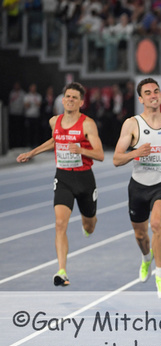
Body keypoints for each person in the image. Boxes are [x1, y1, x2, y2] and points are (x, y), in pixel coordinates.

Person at [17, 82, 105, 286]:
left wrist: (81, 150)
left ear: (81, 102)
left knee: (89, 225)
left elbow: (100, 154)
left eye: (75, 97)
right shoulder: (54, 121)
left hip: (84, 179)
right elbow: (55, 140)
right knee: (59, 224)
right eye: (68, 96)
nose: (70, 100)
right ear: (63, 99)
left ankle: (89, 223)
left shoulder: (87, 124)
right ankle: (62, 271)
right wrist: (32, 153)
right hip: (63, 177)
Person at [113, 78, 161, 299]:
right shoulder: (132, 124)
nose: (153, 95)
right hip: (138, 186)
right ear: (141, 98)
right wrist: (134, 153)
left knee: (157, 224)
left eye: (156, 91)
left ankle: (160, 276)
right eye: (148, 92)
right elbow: (117, 159)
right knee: (140, 234)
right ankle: (146, 258)